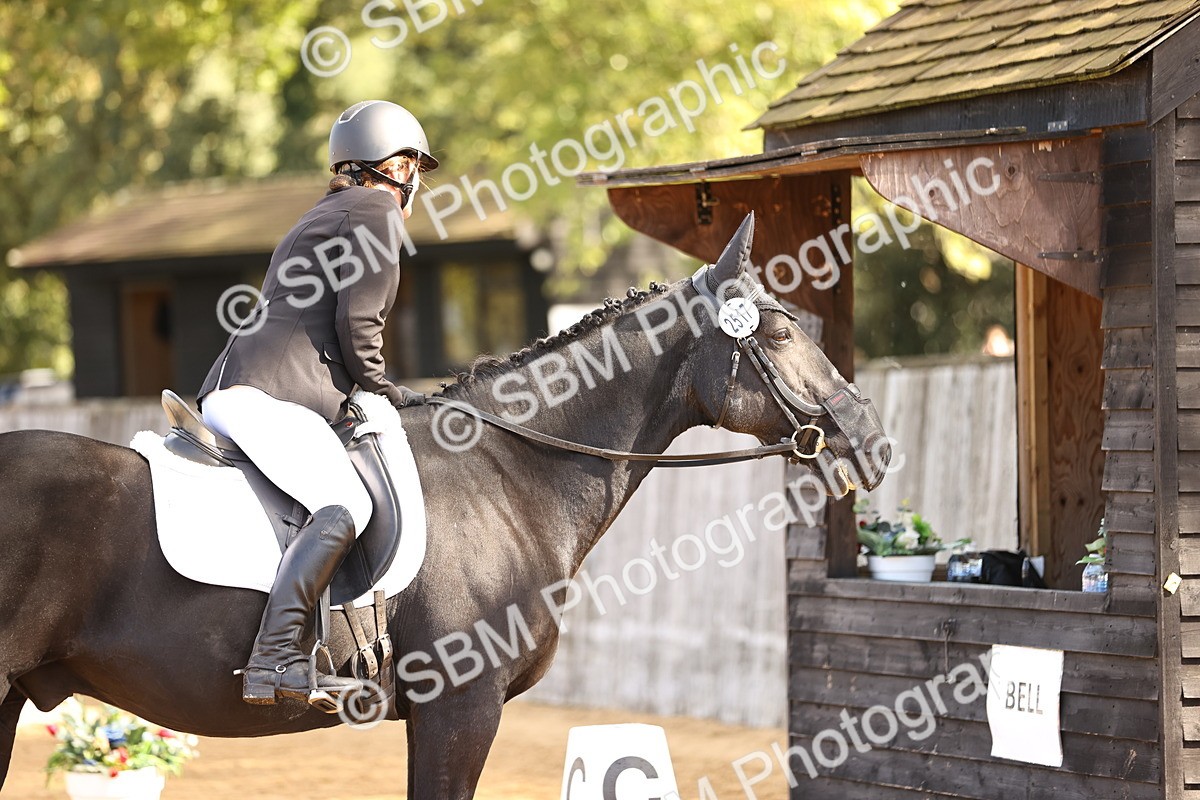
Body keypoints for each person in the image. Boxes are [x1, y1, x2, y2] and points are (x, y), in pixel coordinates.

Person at [197, 100, 437, 706]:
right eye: (416, 170)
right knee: (345, 500)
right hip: (270, 394)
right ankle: (275, 658)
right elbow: (361, 323)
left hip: (240, 386)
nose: (417, 186)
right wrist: (384, 388)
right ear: (400, 166)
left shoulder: (325, 211)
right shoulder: (378, 210)